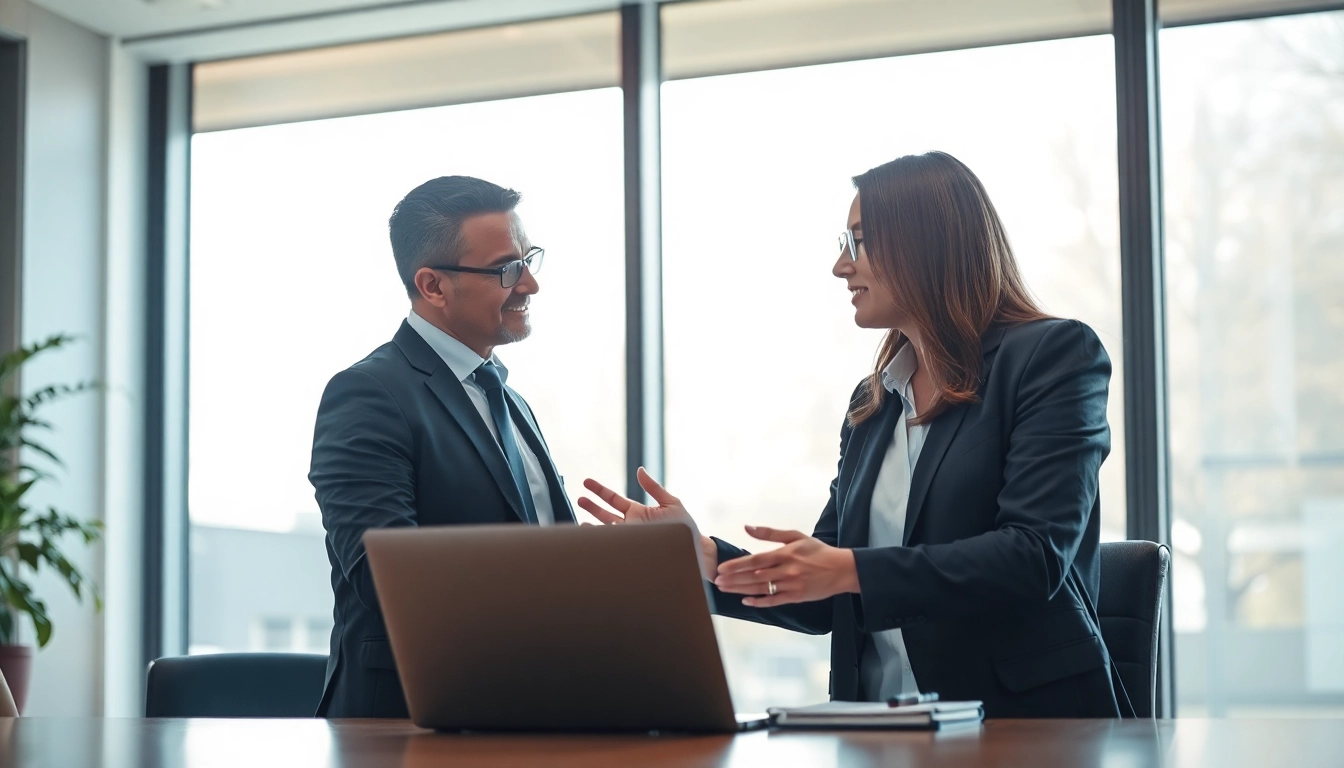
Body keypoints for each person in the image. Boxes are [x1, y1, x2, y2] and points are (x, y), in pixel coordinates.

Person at [580, 151, 1126, 718]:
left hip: (1027, 731)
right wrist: (704, 560)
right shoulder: (873, 402)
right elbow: (825, 597)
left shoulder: (1052, 357)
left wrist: (849, 569)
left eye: (857, 242)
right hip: (880, 731)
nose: (841, 267)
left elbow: (1033, 557)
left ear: (924, 243)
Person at [310, 175, 575, 718]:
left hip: (532, 712)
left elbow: (538, 546)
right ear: (432, 285)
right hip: (411, 725)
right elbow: (387, 577)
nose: (529, 285)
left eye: (529, 260)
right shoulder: (368, 393)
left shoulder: (508, 398)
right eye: (506, 268)